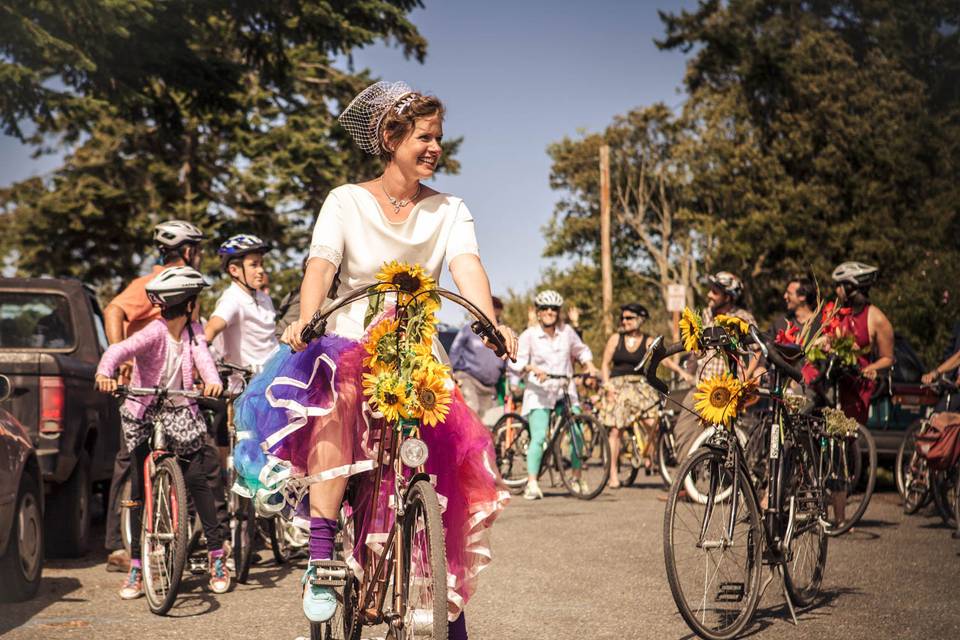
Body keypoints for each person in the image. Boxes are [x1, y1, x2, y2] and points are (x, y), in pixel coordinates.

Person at [233, 82, 517, 639]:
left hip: (416, 348)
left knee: (439, 462)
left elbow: (468, 267)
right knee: (338, 395)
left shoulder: (449, 209)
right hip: (347, 337)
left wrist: (488, 319)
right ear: (390, 138)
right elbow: (320, 265)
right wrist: (308, 318)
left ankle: (440, 599)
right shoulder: (345, 200)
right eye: (423, 137)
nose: (435, 147)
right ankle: (321, 555)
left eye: (439, 137)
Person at [95, 267, 229, 598]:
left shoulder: (194, 332)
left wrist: (212, 382)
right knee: (141, 489)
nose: (198, 308)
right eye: (196, 302)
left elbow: (204, 360)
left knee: (198, 480)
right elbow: (118, 351)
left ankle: (216, 557)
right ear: (187, 304)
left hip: (180, 409)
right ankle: (137, 570)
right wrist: (105, 372)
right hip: (144, 409)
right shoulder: (153, 332)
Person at [101, 220, 205, 572]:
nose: (201, 257)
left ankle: (173, 537)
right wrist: (120, 357)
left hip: (172, 392)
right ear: (188, 252)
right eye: (198, 250)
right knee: (129, 461)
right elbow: (114, 309)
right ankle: (119, 544)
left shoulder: (188, 288)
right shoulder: (151, 284)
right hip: (143, 390)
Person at [510, 289, 598, 500]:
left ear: (559, 312)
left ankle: (576, 478)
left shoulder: (567, 332)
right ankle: (532, 483)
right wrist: (531, 368)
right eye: (545, 309)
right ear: (538, 312)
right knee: (539, 437)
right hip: (540, 392)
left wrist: (589, 365)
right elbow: (515, 361)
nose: (550, 312)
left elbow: (581, 350)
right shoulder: (529, 335)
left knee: (576, 430)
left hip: (565, 390)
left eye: (554, 309)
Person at [599, 302, 692, 488]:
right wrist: (607, 385)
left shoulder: (648, 340)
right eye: (623, 318)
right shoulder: (615, 339)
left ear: (640, 320)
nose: (624, 321)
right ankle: (613, 474)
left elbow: (663, 360)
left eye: (629, 318)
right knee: (616, 429)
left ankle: (650, 454)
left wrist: (682, 373)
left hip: (641, 386)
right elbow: (604, 364)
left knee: (653, 423)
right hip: (619, 386)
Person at [672, 272, 758, 464]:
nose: (709, 295)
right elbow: (699, 350)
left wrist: (745, 379)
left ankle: (730, 485)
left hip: (728, 388)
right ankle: (686, 484)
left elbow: (757, 350)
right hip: (702, 386)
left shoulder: (742, 317)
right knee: (684, 430)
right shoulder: (705, 315)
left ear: (728, 297)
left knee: (726, 439)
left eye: (715, 292)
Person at [827, 261, 895, 423]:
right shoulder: (837, 313)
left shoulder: (877, 318)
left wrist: (871, 368)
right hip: (833, 380)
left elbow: (888, 358)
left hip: (857, 384)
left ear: (850, 287)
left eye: (839, 285)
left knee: (849, 434)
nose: (836, 290)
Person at [449, 296, 508, 419]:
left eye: (498, 308)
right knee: (472, 411)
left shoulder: (502, 333)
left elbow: (506, 358)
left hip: (490, 387)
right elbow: (455, 351)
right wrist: (451, 374)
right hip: (468, 378)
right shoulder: (469, 329)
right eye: (493, 307)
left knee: (489, 420)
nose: (496, 311)